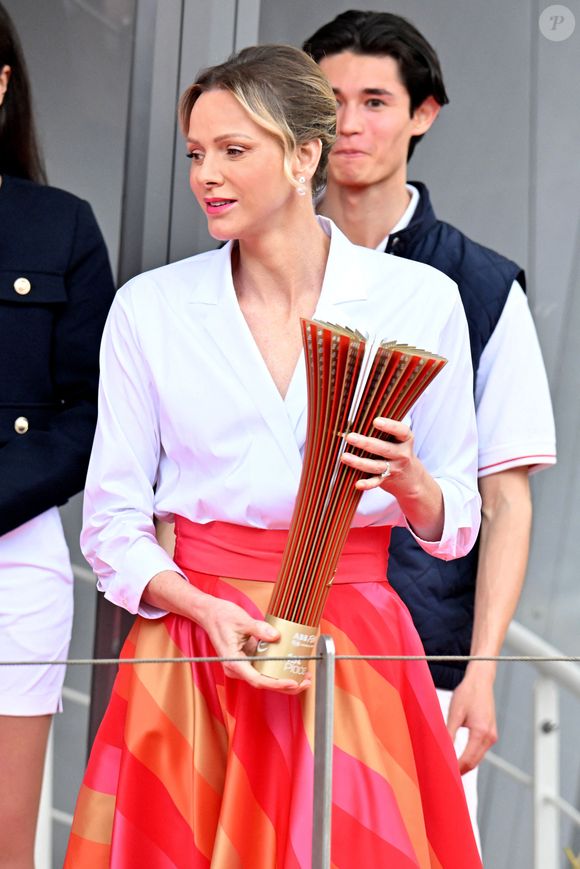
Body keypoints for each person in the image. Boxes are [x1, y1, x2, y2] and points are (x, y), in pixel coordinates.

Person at [65, 44, 483, 867]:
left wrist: (411, 482)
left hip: (354, 642)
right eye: (196, 153)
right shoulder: (151, 308)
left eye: (233, 150)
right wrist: (196, 606)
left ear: (303, 156)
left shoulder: (419, 300)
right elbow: (111, 522)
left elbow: (459, 518)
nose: (206, 176)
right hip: (194, 644)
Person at [303, 9, 557, 846]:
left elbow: (506, 498)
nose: (347, 123)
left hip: (423, 653)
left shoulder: (482, 286)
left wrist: (481, 671)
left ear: (424, 113)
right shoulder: (256, 262)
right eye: (329, 100)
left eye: (375, 101)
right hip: (269, 634)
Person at [0, 4, 116, 865]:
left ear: (1, 84)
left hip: (15, 554)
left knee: (5, 829)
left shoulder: (60, 224)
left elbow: (91, 408)